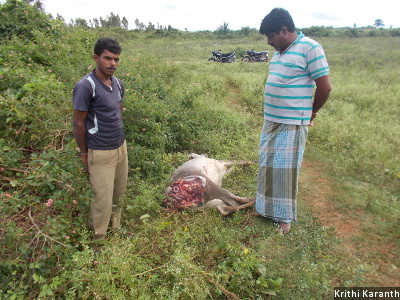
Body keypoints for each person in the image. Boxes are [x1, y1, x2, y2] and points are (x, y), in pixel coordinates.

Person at [256, 8, 332, 234]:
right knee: (268, 166)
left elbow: (325, 87)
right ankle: (265, 208)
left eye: (271, 37)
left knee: (285, 171)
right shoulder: (280, 51)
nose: (269, 42)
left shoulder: (310, 47)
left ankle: (284, 219)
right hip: (271, 119)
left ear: (284, 30)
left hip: (292, 122)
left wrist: (312, 113)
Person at [73, 37, 128, 249]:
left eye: (116, 59)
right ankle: (97, 242)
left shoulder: (118, 84)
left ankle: (116, 228)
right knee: (102, 200)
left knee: (118, 194)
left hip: (120, 148)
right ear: (96, 58)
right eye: (107, 58)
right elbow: (79, 124)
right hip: (100, 151)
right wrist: (85, 154)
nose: (112, 63)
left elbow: (118, 111)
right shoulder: (86, 86)